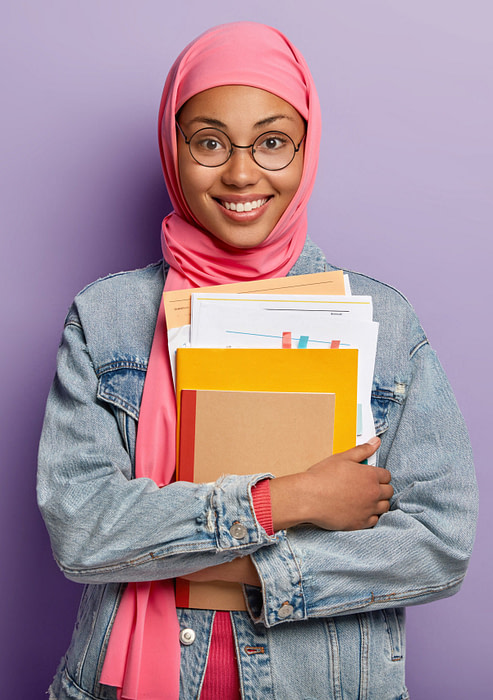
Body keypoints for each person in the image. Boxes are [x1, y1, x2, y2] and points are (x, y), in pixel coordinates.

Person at [37, 21, 478, 700]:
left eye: (272, 142)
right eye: (209, 142)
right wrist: (286, 501)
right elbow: (81, 528)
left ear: (307, 150)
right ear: (172, 148)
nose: (241, 172)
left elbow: (440, 541)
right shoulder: (107, 319)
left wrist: (246, 570)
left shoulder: (383, 322)